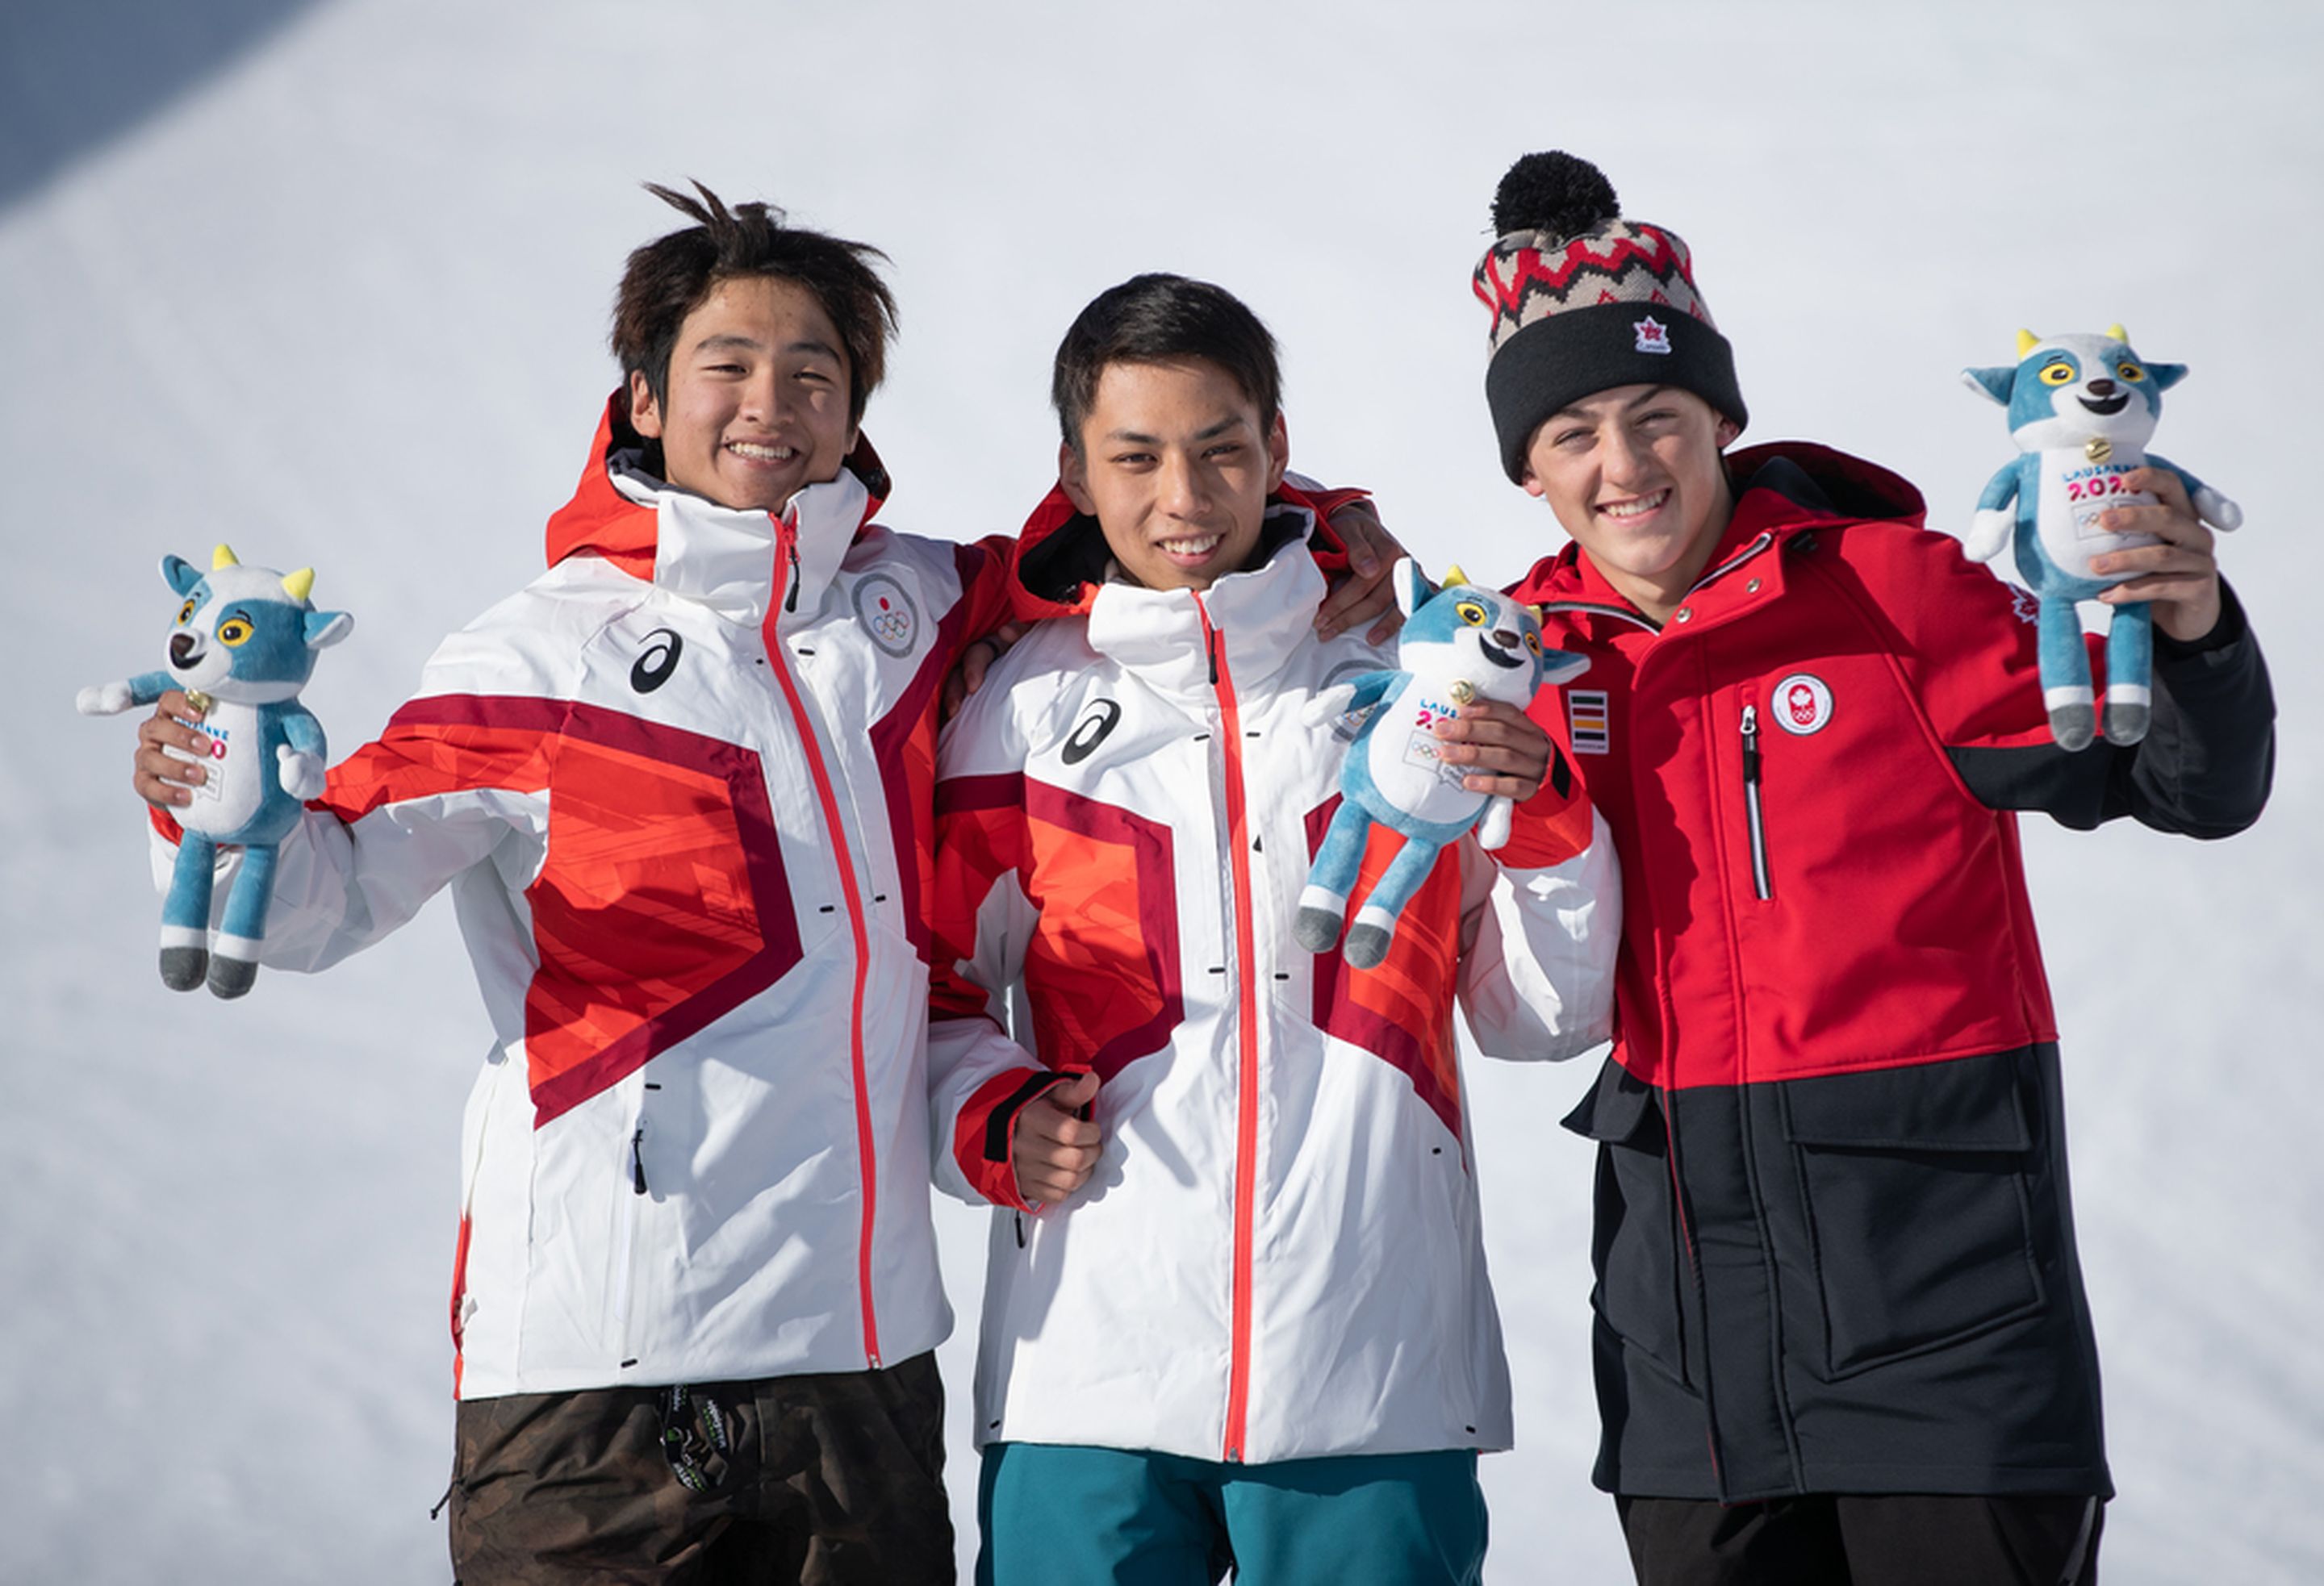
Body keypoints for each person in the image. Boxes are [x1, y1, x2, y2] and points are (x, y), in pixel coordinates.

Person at [123, 186, 1401, 1584]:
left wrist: (1331, 525)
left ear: (855, 415)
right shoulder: (533, 655)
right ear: (644, 396)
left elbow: (1132, 512)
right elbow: (323, 897)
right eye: (726, 364)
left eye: (814, 371)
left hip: (856, 1367)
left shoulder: (920, 606)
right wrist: (214, 799)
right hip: (591, 1376)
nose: (769, 402)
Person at [1469, 152, 2276, 1585]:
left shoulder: (1893, 592)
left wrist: (2197, 628)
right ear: (1529, 467)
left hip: (1953, 1329)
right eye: (1574, 431)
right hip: (1692, 1356)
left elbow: (2188, 786)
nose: (1624, 464)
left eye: (1657, 415)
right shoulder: (1524, 665)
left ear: (1721, 417)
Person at [922, 273, 1621, 1586]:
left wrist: (1543, 818)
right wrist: (992, 1116)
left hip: (1375, 1376)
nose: (1182, 498)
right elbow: (929, 986)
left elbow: (1545, 1012)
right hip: (1088, 1377)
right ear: (1073, 473)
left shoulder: (1407, 679)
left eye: (1221, 449)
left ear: (1278, 449)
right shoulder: (1015, 712)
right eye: (1135, 457)